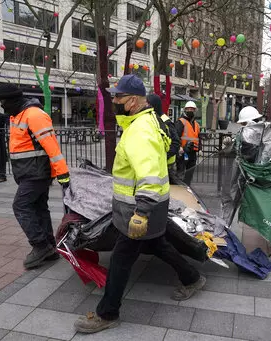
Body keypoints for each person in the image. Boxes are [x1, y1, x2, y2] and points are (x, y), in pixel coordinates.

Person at [74, 75, 205, 334]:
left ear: (132, 101)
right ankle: (192, 278)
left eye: (118, 97)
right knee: (158, 245)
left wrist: (142, 212)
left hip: (139, 211)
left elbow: (150, 174)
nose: (114, 101)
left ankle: (107, 313)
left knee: (121, 261)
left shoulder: (140, 131)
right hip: (144, 208)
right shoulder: (145, 122)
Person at [0, 84, 69, 269]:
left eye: (3, 102)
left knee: (21, 205)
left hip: (37, 173)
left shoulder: (34, 115)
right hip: (29, 171)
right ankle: (50, 247)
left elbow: (52, 146)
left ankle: (40, 245)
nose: (2, 106)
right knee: (39, 207)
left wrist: (62, 173)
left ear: (13, 100)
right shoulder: (17, 115)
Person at [220, 106, 263, 224]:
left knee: (232, 203)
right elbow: (229, 152)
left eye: (243, 124)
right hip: (245, 179)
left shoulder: (260, 137)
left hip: (246, 179)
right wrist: (228, 145)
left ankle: (227, 225)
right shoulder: (246, 135)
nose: (242, 127)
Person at [147, 93, 181, 183]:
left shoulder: (165, 121)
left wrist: (164, 156)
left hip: (167, 165)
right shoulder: (152, 118)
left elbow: (176, 142)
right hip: (158, 163)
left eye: (148, 104)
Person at [176, 101, 200, 186]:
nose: (190, 110)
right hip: (183, 153)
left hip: (193, 153)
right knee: (180, 175)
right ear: (185, 110)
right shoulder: (181, 121)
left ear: (195, 110)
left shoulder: (196, 124)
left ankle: (187, 190)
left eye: (192, 109)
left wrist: (199, 148)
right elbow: (176, 136)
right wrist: (180, 148)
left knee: (189, 175)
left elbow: (197, 137)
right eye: (188, 109)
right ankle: (180, 192)